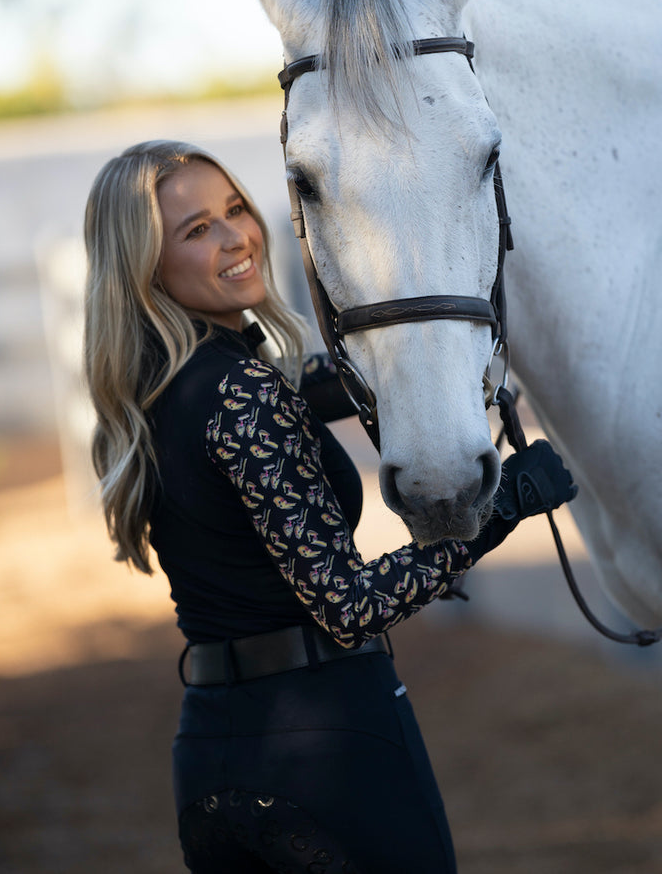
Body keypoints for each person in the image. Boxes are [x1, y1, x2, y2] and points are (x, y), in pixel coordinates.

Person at [83, 139, 577, 874]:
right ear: (143, 264)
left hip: (211, 760)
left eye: (237, 210)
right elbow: (349, 607)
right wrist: (506, 505)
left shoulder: (158, 387)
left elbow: (328, 379)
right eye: (196, 230)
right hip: (328, 755)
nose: (236, 238)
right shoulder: (244, 394)